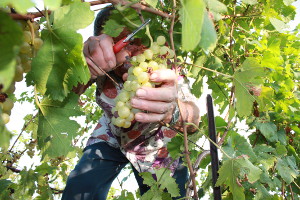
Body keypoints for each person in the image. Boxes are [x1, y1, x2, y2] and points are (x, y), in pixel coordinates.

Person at [62, 6, 200, 200]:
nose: (133, 50)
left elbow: (194, 119)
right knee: (80, 187)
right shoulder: (103, 70)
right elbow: (66, 92)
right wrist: (82, 64)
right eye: (122, 43)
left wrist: (173, 111)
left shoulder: (163, 66)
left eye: (137, 41)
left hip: (158, 146)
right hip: (113, 135)